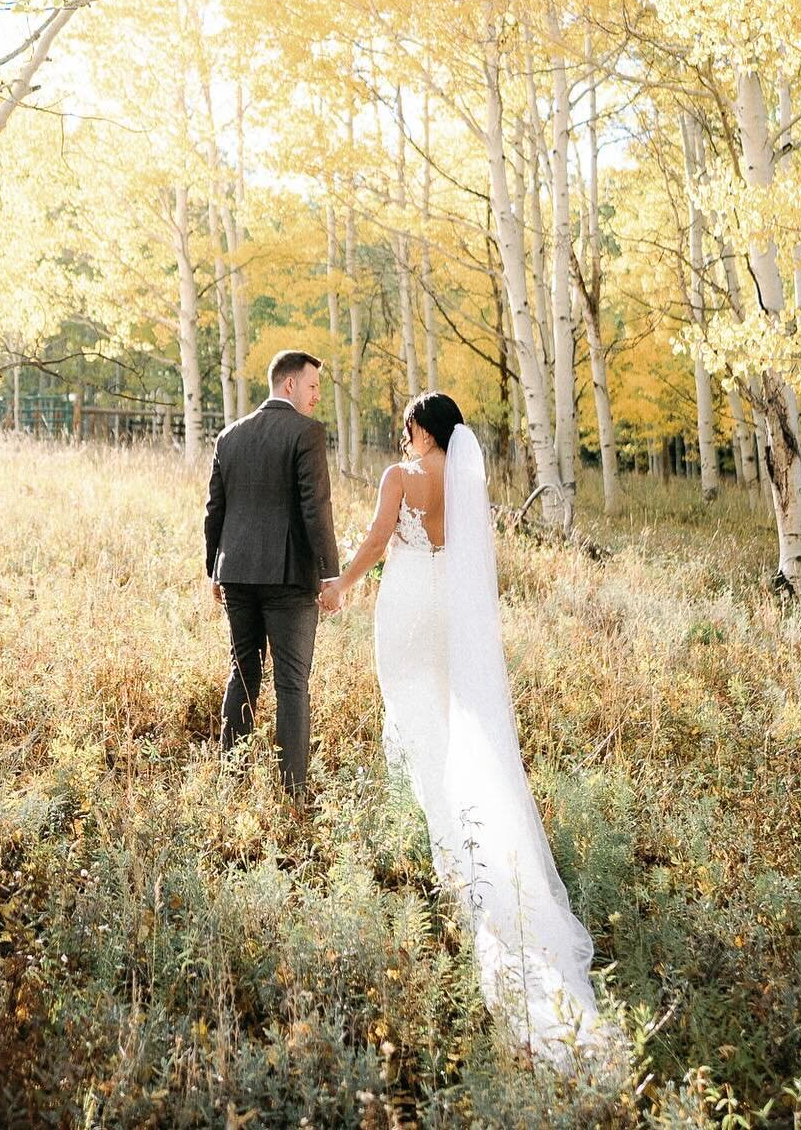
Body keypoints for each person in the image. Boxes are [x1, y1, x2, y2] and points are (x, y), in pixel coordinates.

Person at [320, 391, 618, 1073]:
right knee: (452, 723)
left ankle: (449, 850)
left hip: (404, 609)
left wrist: (341, 585)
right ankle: (468, 833)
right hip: (448, 614)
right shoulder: (466, 482)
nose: (405, 437)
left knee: (416, 720)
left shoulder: (401, 478)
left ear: (419, 429)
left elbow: (373, 541)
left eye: (406, 427)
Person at [204, 348, 339, 796]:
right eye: (313, 385)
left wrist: (214, 570)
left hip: (237, 572)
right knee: (292, 684)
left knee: (242, 673)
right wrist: (330, 574)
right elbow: (315, 507)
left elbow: (214, 511)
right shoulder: (307, 433)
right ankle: (293, 793)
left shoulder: (230, 436)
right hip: (288, 578)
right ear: (289, 385)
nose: (318, 395)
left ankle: (229, 780)